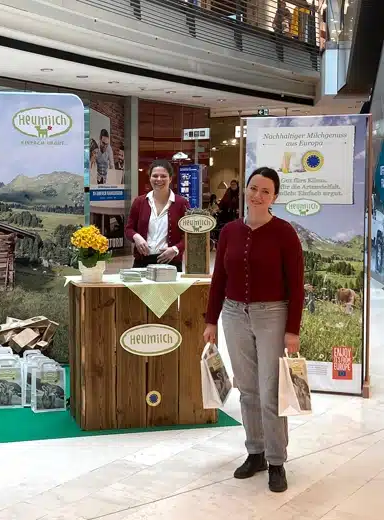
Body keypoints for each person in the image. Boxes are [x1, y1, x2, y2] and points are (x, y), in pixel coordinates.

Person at [203, 167, 304, 493]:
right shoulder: (230, 231)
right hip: (233, 314)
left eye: (265, 191)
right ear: (245, 190)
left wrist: (292, 330)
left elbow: (297, 286)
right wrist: (210, 320)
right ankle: (255, 452)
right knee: (247, 388)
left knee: (270, 389)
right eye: (253, 188)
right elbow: (219, 279)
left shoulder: (284, 233)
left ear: (275, 197)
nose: (257, 195)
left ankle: (277, 460)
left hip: (272, 314)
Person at [124, 159, 189, 271]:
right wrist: (136, 237)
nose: (159, 179)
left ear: (170, 179)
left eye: (163, 176)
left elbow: (189, 234)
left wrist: (175, 249)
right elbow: (128, 229)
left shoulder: (181, 203)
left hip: (170, 262)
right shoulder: (139, 202)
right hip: (142, 262)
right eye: (155, 176)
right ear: (150, 178)